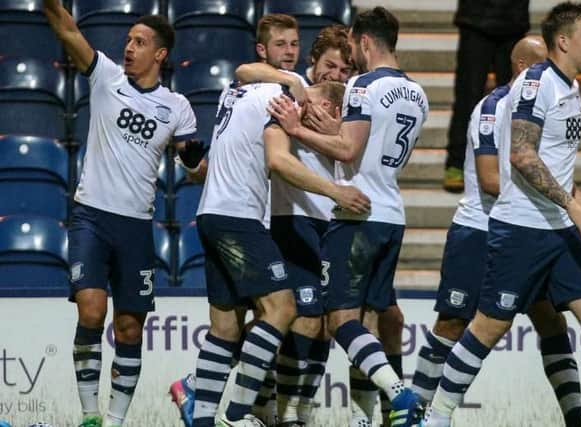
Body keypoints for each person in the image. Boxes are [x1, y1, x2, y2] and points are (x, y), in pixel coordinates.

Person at [426, 4, 581, 427]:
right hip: (522, 227)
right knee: (488, 328)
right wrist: (572, 203)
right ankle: (437, 416)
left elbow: (555, 160)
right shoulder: (536, 84)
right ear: (564, 41)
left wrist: (577, 202)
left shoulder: (569, 87)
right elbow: (522, 155)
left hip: (558, 228)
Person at [42, 2, 205, 427]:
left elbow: (194, 169)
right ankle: (91, 416)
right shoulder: (106, 76)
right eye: (129, 40)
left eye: (140, 42)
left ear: (161, 54)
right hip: (91, 216)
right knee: (91, 312)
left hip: (136, 227)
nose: (129, 48)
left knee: (130, 330)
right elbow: (67, 30)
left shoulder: (177, 107)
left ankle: (116, 422)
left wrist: (210, 164)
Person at [268, 7, 428, 427]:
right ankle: (364, 418)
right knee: (370, 322)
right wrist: (337, 130)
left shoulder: (362, 86)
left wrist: (299, 129)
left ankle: (400, 396)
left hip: (357, 216)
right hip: (392, 212)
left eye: (353, 46)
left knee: (340, 321)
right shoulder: (418, 93)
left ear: (364, 41)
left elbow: (347, 151)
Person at [182, 75, 370, 427]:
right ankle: (237, 415)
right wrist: (336, 192)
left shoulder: (240, 91)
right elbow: (279, 161)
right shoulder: (282, 97)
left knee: (226, 326)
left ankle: (203, 416)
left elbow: (245, 69)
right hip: (242, 216)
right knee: (283, 308)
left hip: (212, 212)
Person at [443, 0, 529, 192]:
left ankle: (510, 160)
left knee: (513, 100)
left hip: (512, 21)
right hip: (475, 20)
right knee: (468, 97)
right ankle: (457, 163)